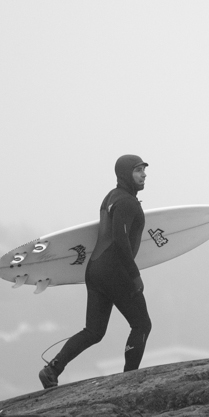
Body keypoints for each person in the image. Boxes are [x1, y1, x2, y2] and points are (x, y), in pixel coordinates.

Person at [39, 155, 153, 388]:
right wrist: (134, 275)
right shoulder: (127, 203)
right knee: (142, 324)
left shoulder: (110, 197)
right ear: (125, 174)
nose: (143, 174)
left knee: (94, 331)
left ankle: (52, 369)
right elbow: (121, 241)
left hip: (95, 270)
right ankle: (128, 380)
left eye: (144, 170)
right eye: (137, 170)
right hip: (116, 271)